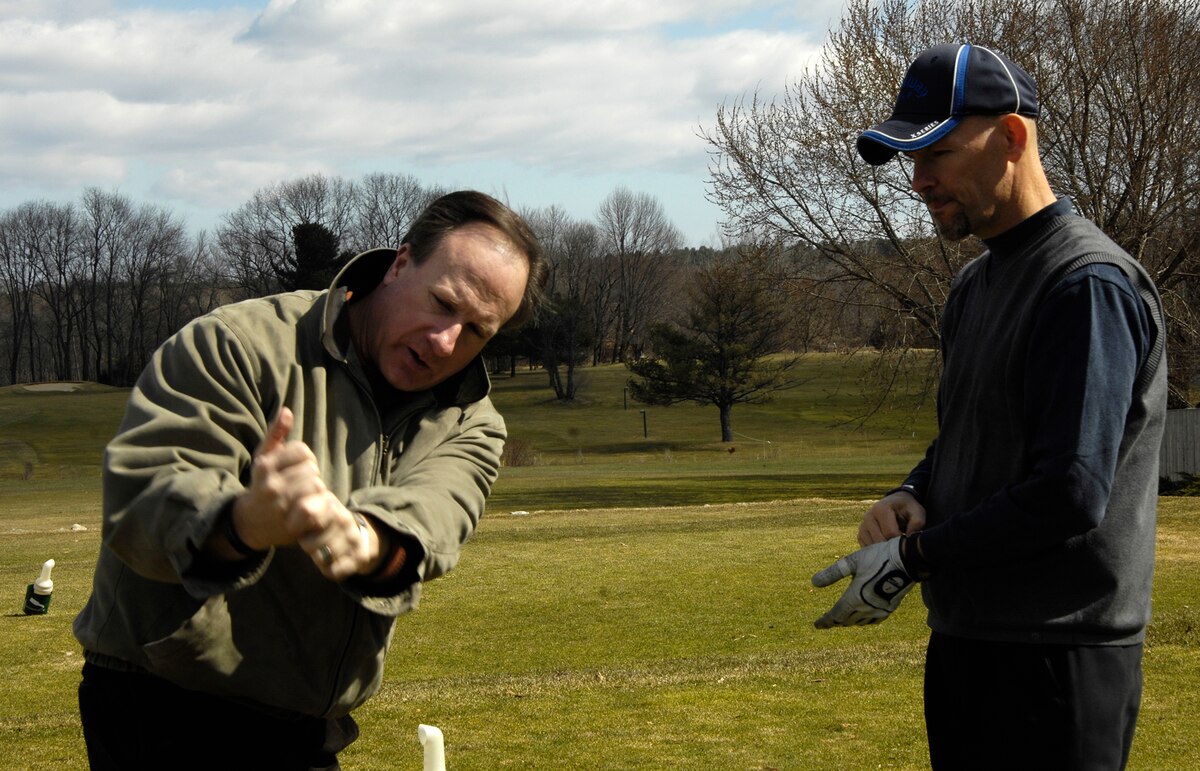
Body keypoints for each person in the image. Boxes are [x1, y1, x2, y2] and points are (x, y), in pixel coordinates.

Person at [73, 190, 546, 770]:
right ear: (400, 263)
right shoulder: (236, 346)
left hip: (308, 728)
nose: (447, 341)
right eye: (444, 304)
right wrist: (243, 522)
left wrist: (366, 542)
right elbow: (142, 504)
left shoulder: (470, 419)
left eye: (477, 331)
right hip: (164, 706)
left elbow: (438, 513)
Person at [810, 44, 1166, 770]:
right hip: (969, 643)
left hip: (1057, 660)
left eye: (936, 151)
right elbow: (967, 438)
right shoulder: (974, 286)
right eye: (909, 159)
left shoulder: (1086, 284)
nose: (919, 180)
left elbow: (1069, 492)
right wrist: (914, 493)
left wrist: (913, 557)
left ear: (1012, 137)